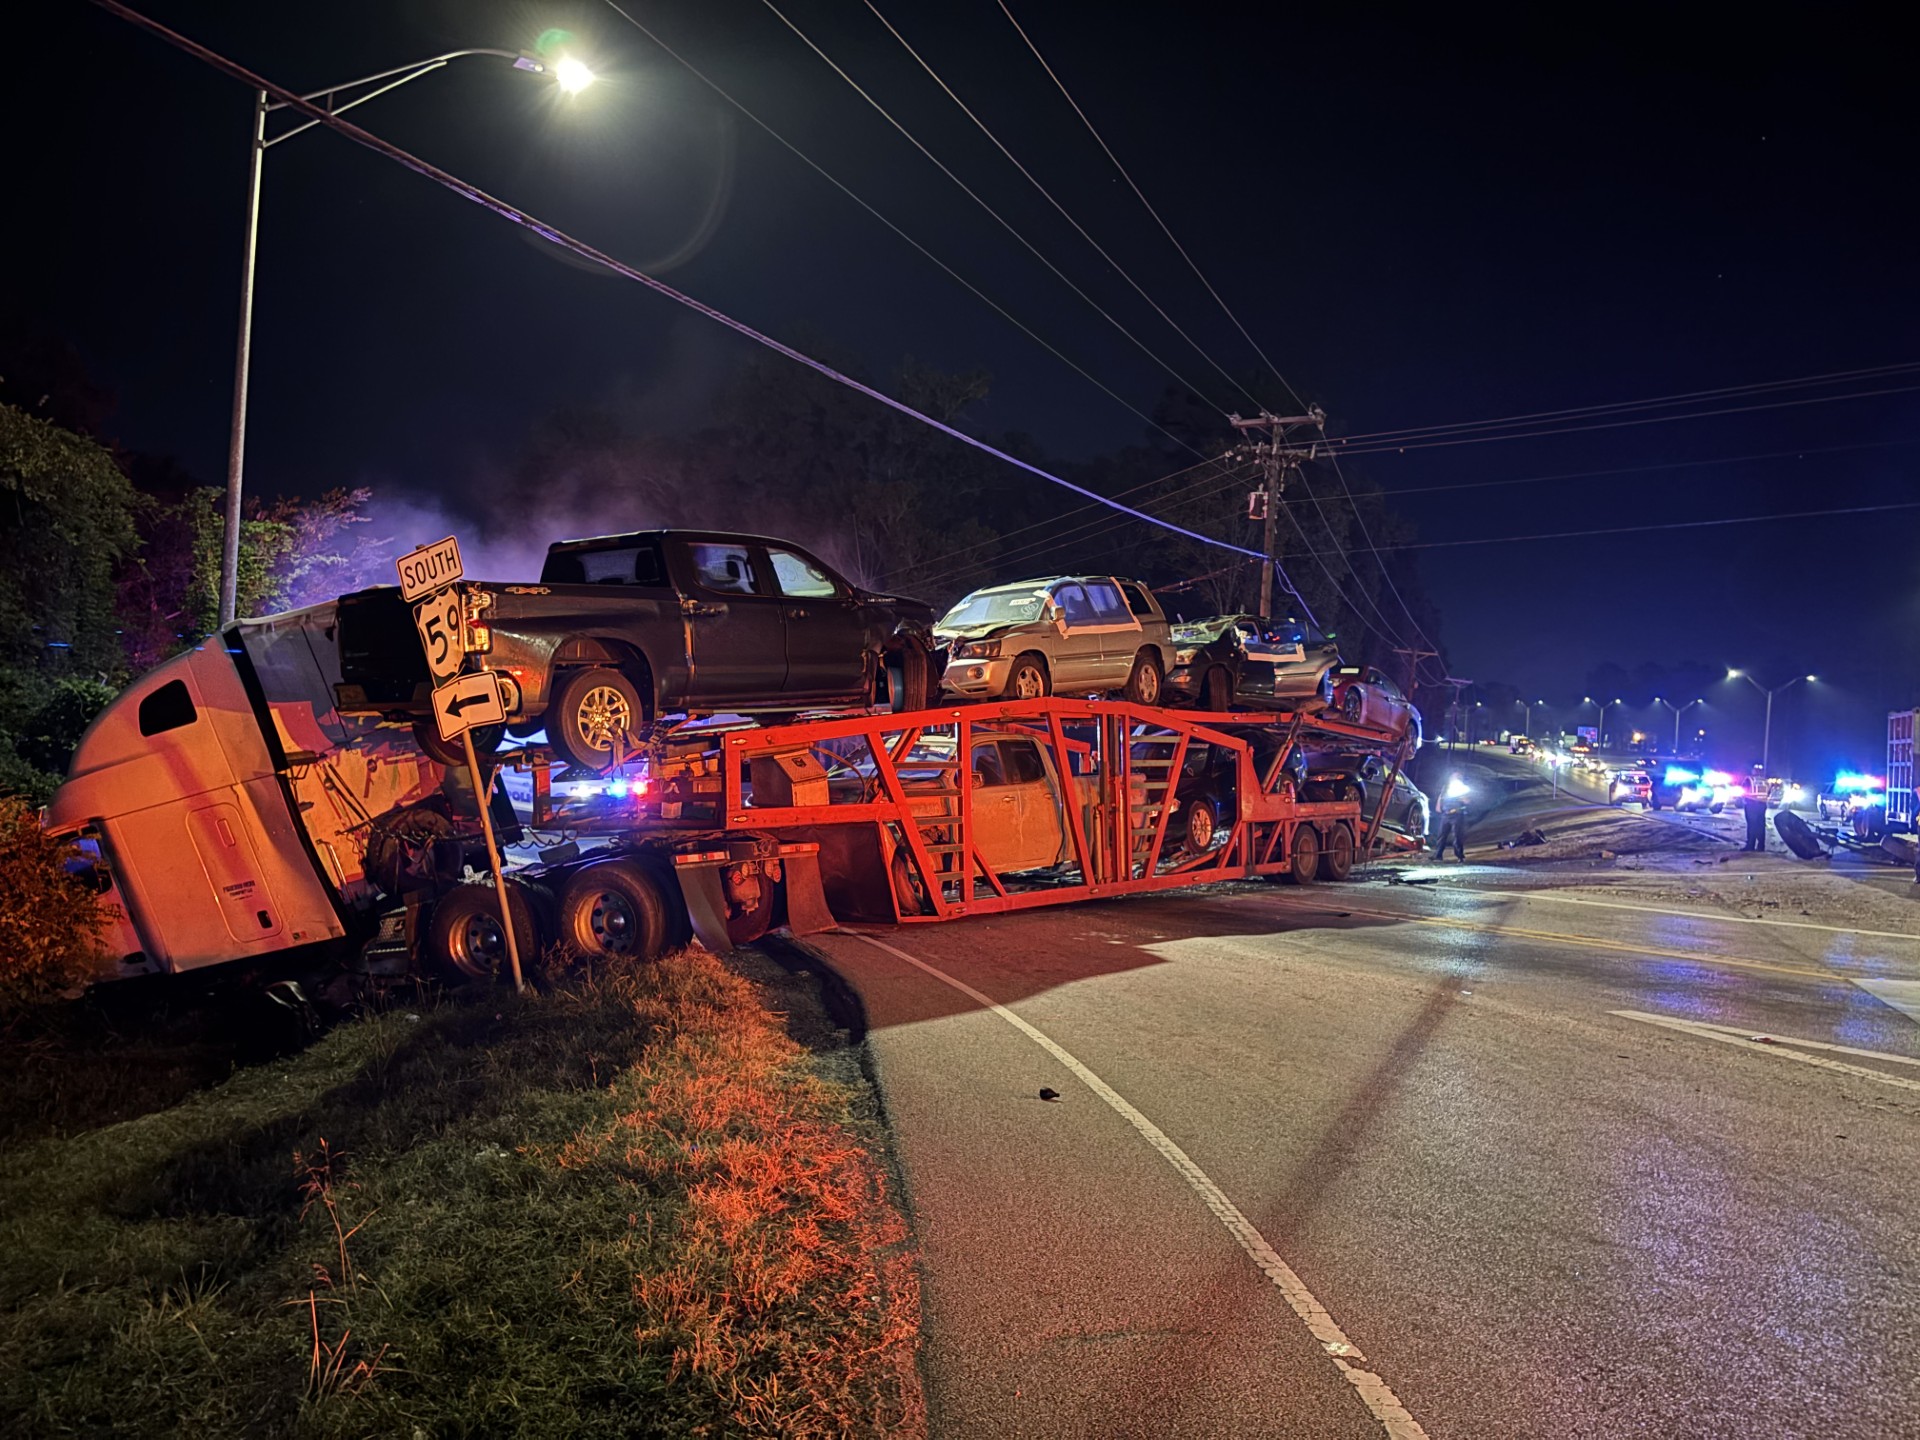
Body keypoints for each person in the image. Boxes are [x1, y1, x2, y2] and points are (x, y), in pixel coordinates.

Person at [1432, 773, 1469, 860]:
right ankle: (1438, 855)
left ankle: (1460, 855)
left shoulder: (1462, 788)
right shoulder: (1446, 787)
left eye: (1458, 776)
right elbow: (1441, 796)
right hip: (1446, 814)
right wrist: (1438, 806)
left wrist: (1462, 796)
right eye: (1454, 776)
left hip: (1457, 814)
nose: (1455, 778)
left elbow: (1467, 801)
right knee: (1441, 835)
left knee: (1457, 835)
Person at [1740, 763, 1769, 852]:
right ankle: (1761, 846)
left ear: (1753, 770)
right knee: (1761, 825)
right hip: (1762, 805)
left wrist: (1743, 799)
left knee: (1752, 825)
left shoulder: (1749, 779)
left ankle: (1750, 845)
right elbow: (1768, 792)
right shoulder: (1765, 781)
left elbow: (1743, 790)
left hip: (1751, 804)